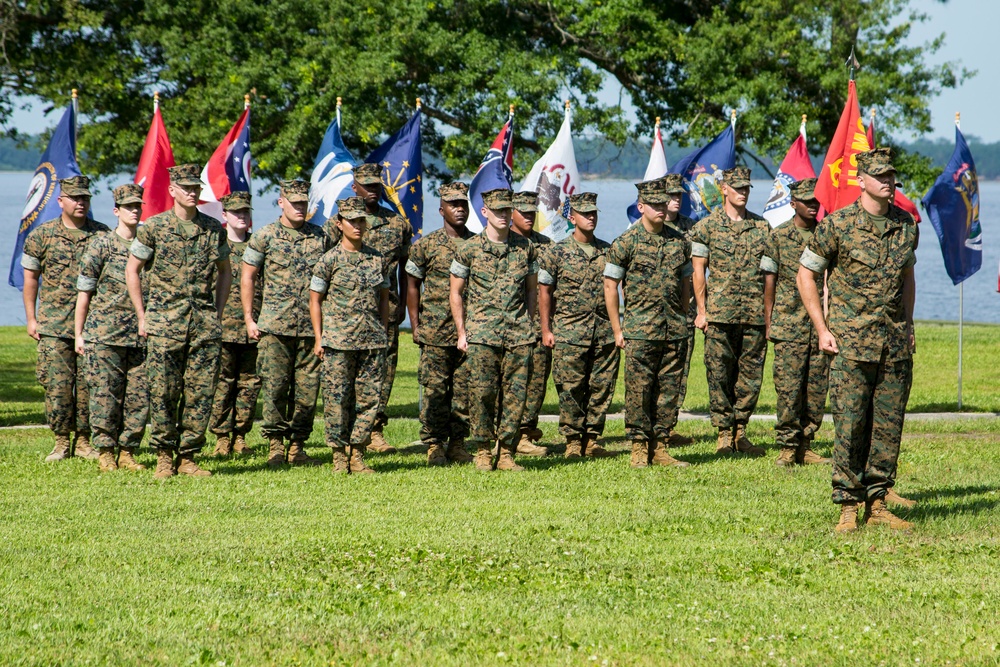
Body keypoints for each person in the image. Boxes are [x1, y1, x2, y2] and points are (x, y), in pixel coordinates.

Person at [797, 147, 917, 533]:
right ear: (861, 181)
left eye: (890, 175)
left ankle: (878, 502)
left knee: (888, 426)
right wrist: (822, 328)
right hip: (851, 343)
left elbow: (907, 278)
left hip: (893, 344)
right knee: (850, 426)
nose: (887, 181)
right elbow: (806, 275)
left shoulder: (905, 224)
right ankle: (848, 504)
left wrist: (909, 324)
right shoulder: (838, 225)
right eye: (879, 176)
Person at [126, 164, 231, 478]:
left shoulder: (213, 228)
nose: (192, 192)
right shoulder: (154, 227)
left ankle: (188, 457)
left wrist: (217, 312)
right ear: (172, 190)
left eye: (195, 187)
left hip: (203, 326)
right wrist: (142, 315)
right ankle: (163, 456)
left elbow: (225, 272)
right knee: (163, 392)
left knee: (201, 393)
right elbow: (132, 269)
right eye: (185, 188)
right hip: (164, 324)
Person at [603, 176, 692, 469]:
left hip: (673, 328)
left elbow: (686, 282)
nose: (661, 208)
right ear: (641, 206)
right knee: (639, 390)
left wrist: (683, 314)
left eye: (663, 203)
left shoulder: (679, 242)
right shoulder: (626, 242)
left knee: (669, 389)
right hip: (640, 330)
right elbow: (610, 286)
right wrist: (617, 329)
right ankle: (639, 447)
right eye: (654, 204)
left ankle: (661, 446)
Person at [325, 163, 411, 455]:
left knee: (382, 373)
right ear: (355, 188)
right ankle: (346, 432)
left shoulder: (397, 223)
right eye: (367, 185)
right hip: (344, 315)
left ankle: (374, 430)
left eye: (376, 184)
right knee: (344, 378)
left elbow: (405, 268)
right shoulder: (337, 222)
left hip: (384, 311)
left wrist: (402, 305)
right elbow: (325, 264)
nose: (373, 189)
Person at [450, 188, 538, 471]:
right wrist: (462, 332)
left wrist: (529, 324)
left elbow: (532, 291)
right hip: (482, 334)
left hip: (518, 334)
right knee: (481, 394)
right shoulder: (469, 249)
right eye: (497, 210)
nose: (503, 215)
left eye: (506, 210)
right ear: (485, 212)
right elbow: (456, 293)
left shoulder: (525, 247)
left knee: (515, 395)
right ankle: (483, 451)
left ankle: (507, 452)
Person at [242, 179, 329, 469]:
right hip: (275, 327)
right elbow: (248, 276)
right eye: (295, 203)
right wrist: (249, 318)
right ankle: (275, 446)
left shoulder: (321, 237)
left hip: (311, 329)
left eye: (304, 203)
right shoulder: (265, 236)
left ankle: (298, 447)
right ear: (281, 203)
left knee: (307, 392)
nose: (300, 208)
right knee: (275, 389)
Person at [21, 176, 109, 462]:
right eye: (75, 198)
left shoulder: (102, 235)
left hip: (93, 326)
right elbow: (30, 280)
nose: (81, 202)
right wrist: (31, 318)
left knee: (88, 386)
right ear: (61, 201)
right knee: (57, 386)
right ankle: (61, 442)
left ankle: (83, 441)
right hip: (54, 325)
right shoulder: (42, 235)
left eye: (85, 198)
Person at [690, 166, 770, 457]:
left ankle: (740, 431)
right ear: (724, 189)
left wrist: (769, 316)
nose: (743, 193)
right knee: (719, 373)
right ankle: (724, 432)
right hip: (720, 314)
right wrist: (702, 310)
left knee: (750, 376)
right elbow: (698, 272)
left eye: (746, 188)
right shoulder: (707, 227)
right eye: (737, 188)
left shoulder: (762, 228)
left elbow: (770, 275)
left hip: (754, 314)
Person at [310, 196, 390, 474]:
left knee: (368, 400)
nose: (357, 225)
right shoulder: (328, 260)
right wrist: (319, 338)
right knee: (337, 400)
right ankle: (338, 456)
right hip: (338, 342)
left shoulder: (376, 258)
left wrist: (381, 330)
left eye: (360, 220)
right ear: (339, 223)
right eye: (351, 221)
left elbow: (384, 297)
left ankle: (357, 454)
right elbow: (315, 300)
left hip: (371, 342)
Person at [538, 192, 618, 459]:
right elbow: (545, 293)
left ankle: (592, 439)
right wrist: (546, 330)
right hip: (569, 332)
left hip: (603, 333)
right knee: (570, 387)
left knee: (601, 386)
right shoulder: (556, 252)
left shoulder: (608, 251)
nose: (591, 218)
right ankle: (573, 440)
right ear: (572, 218)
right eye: (585, 214)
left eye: (593, 213)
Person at [74, 183, 147, 472]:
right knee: (105, 395)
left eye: (138, 206)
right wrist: (79, 334)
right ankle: (105, 451)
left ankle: (128, 451)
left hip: (141, 335)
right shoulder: (101, 244)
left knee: (139, 397)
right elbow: (84, 292)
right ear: (116, 211)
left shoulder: (148, 244)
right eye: (128, 207)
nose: (134, 211)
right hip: (105, 333)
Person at [761, 178, 831, 467]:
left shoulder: (827, 234)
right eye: (807, 201)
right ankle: (788, 447)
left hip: (821, 327)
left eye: (816, 201)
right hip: (789, 324)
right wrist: (769, 322)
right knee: (789, 389)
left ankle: (806, 444)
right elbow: (769, 283)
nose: (813, 206)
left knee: (816, 389)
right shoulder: (778, 236)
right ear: (793, 203)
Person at [405, 182, 475, 466]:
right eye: (453, 204)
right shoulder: (426, 245)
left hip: (469, 331)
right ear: (441, 210)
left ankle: (458, 443)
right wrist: (415, 324)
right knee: (435, 389)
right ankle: (434, 444)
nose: (459, 209)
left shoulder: (477, 244)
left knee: (464, 391)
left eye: (463, 204)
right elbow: (412, 286)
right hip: (435, 330)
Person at [208, 191, 262, 456]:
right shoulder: (216, 246)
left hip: (254, 327)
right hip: (223, 326)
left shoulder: (258, 245)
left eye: (245, 211)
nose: (242, 216)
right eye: (236, 212)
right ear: (224, 215)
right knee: (223, 382)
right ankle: (221, 437)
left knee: (249, 384)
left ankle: (240, 435)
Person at [508, 190, 552, 457]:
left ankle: (525, 433)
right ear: (511, 213)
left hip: (538, 328)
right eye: (522, 212)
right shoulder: (504, 243)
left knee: (536, 383)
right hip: (507, 327)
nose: (528, 217)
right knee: (509, 384)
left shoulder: (546, 245)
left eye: (531, 212)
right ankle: (507, 433)